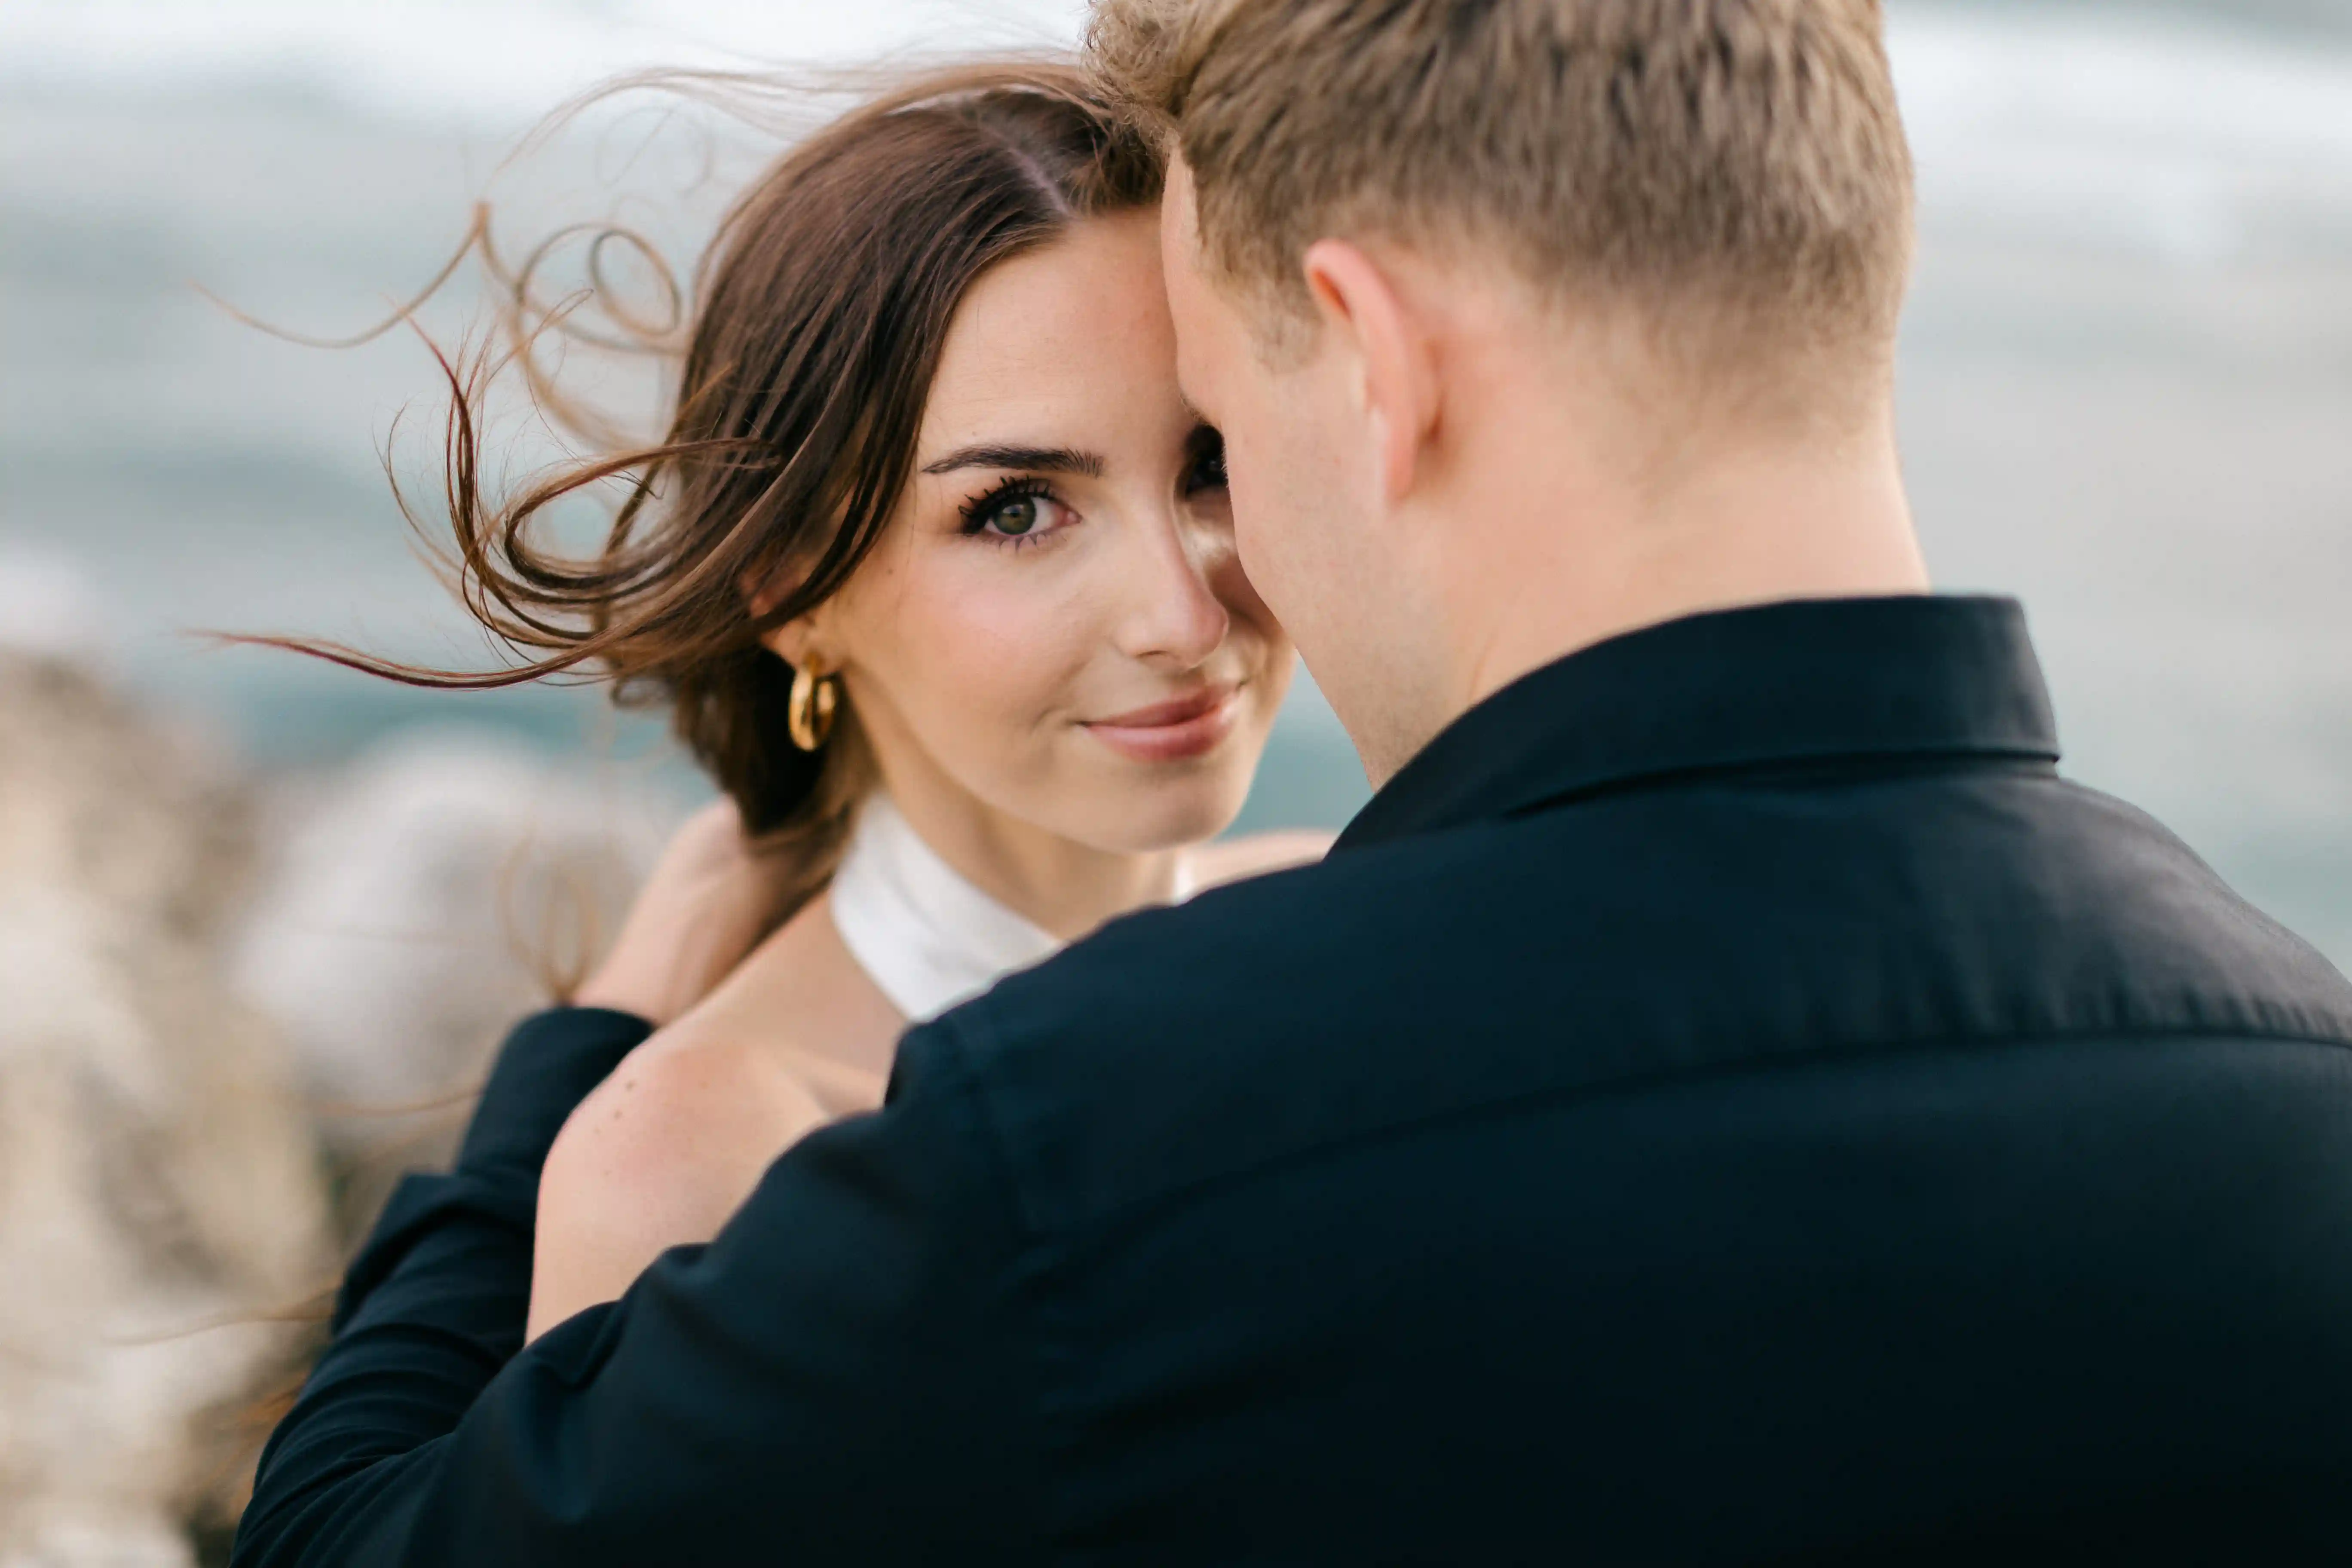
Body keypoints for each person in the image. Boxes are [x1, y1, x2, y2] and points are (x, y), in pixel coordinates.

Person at [236, 3, 2352, 1564]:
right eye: (1018, 510)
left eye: (1222, 452)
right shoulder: (2303, 1072)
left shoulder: (1123, 1132)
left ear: (1377, 360)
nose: (1189, 599)